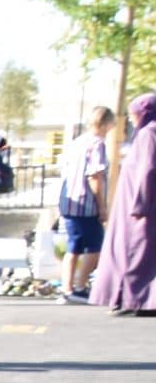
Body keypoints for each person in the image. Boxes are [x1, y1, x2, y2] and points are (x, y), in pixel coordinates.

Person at [92, 93, 156, 313]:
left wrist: (141, 203)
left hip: (139, 208)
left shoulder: (149, 133)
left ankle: (133, 300)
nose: (131, 119)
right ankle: (131, 299)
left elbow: (148, 170)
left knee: (133, 253)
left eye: (134, 114)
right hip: (138, 204)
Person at [60, 107, 113, 301]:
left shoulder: (77, 143)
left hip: (69, 201)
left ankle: (67, 288)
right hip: (86, 203)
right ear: (107, 124)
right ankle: (80, 285)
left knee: (73, 246)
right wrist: (103, 206)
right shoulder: (97, 144)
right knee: (95, 246)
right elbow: (95, 176)